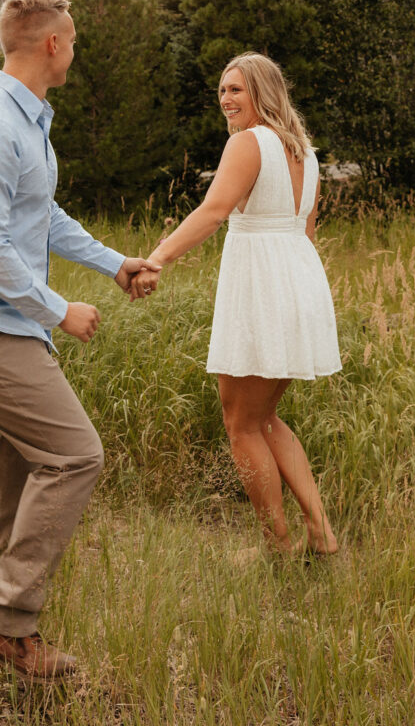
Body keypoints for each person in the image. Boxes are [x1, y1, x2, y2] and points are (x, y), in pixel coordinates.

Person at [0, 0, 159, 681]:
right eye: (74, 39)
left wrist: (114, 264)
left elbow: (43, 218)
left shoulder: (25, 124)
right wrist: (60, 309)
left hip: (2, 322)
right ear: (51, 43)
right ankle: (8, 622)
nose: (75, 49)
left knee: (18, 475)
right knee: (76, 455)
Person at [131, 52, 341, 557]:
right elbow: (305, 232)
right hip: (300, 285)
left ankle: (277, 544)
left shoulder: (249, 143)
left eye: (237, 90)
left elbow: (214, 211)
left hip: (263, 289)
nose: (226, 99)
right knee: (264, 416)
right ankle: (321, 533)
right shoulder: (305, 152)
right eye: (223, 90)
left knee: (241, 422)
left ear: (263, 93)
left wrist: (158, 257)